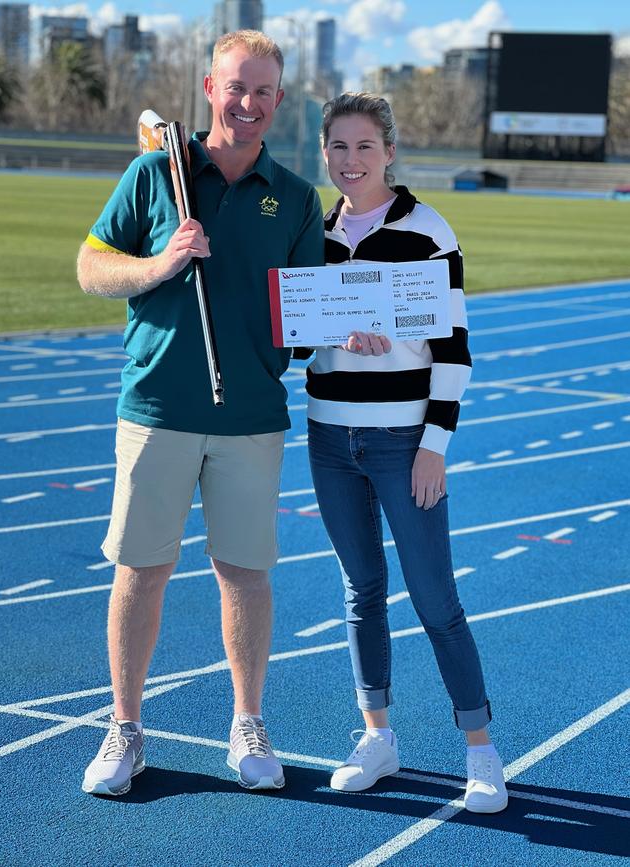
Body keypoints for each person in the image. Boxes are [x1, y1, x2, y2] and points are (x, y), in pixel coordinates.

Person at [76, 30, 324, 796]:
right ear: (210, 90)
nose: (246, 104)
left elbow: (308, 320)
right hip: (156, 406)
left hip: (251, 415)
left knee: (245, 575)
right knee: (140, 571)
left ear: (277, 102)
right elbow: (90, 267)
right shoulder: (155, 175)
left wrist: (349, 327)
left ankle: (247, 724)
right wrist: (162, 263)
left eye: (261, 91)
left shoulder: (298, 198)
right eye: (233, 87)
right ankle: (125, 728)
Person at [301, 93, 507, 812]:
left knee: (435, 599)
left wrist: (434, 447)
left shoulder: (428, 231)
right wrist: (336, 334)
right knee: (361, 592)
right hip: (328, 439)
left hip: (402, 445)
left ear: (388, 151)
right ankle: (378, 735)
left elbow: (453, 351)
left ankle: (480, 748)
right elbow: (297, 337)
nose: (350, 161)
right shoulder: (313, 232)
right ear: (323, 153)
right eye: (338, 147)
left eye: (364, 146)